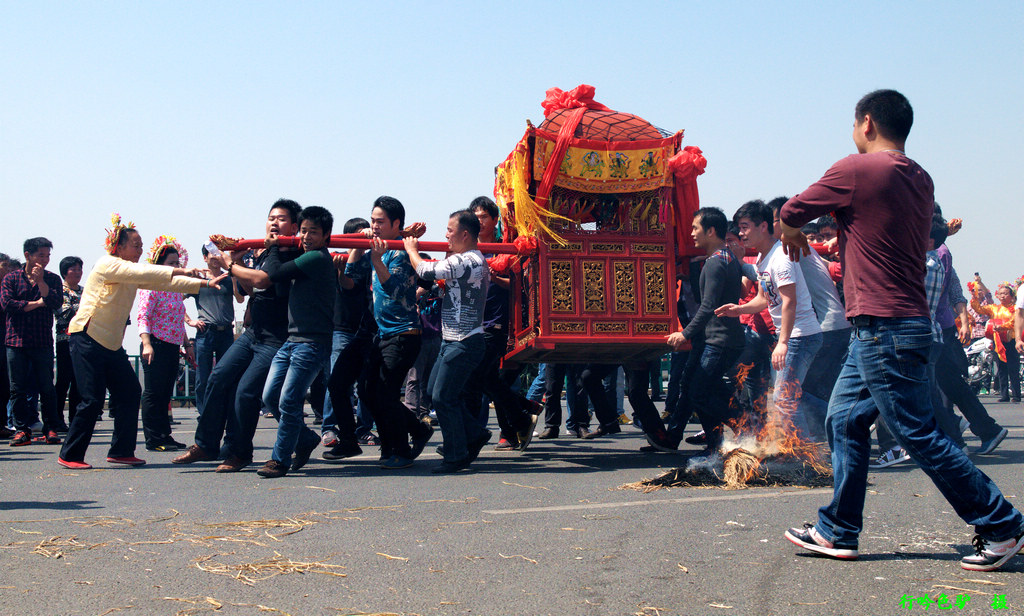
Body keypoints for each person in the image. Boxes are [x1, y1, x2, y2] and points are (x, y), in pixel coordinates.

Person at [778, 89, 1024, 571]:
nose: (852, 133)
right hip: (890, 322)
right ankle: (837, 529)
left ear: (866, 123)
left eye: (853, 125)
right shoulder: (919, 177)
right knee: (844, 419)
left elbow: (792, 209)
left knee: (918, 433)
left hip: (883, 325)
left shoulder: (858, 169)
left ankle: (1000, 524)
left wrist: (789, 228)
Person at [57, 215, 225, 469]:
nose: (140, 250)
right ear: (119, 246)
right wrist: (180, 268)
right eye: (136, 245)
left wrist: (204, 283)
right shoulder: (107, 264)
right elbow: (145, 271)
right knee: (91, 399)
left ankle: (121, 451)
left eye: (141, 245)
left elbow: (164, 282)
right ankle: (70, 455)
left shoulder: (132, 272)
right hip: (87, 337)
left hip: (111, 344)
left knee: (130, 392)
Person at [176, 199, 303, 471]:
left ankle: (241, 452)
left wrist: (229, 265)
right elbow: (246, 290)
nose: (273, 223)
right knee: (218, 377)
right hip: (253, 332)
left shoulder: (292, 253)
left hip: (276, 338)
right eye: (271, 218)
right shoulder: (266, 252)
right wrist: (235, 262)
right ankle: (206, 445)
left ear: (294, 226)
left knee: (245, 393)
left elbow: (263, 280)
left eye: (281, 219)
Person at [222, 206, 336, 478]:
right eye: (304, 230)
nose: (307, 237)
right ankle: (305, 439)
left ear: (326, 236)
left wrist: (271, 249)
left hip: (312, 342)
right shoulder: (305, 256)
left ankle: (279, 459)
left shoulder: (317, 259)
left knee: (288, 399)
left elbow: (270, 275)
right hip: (292, 339)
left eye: (314, 232)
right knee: (270, 396)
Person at [720, 200, 823, 441]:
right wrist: (739, 309)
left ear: (763, 226)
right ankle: (829, 427)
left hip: (801, 335)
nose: (741, 234)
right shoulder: (762, 259)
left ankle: (804, 453)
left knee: (783, 398)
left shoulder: (781, 257)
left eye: (745, 227)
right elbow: (763, 299)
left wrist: (783, 342)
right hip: (792, 335)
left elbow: (789, 302)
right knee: (786, 396)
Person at [404, 210, 490, 473]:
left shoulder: (467, 260)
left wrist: (410, 247)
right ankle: (473, 434)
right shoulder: (469, 260)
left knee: (443, 397)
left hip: (463, 341)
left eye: (450, 230)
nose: (445, 235)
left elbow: (425, 269)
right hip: (454, 340)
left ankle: (456, 454)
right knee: (434, 392)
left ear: (465, 234)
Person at [657, 207, 745, 455]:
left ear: (711, 230)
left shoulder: (717, 261)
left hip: (720, 340)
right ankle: (716, 445)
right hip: (714, 338)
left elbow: (708, 306)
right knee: (698, 388)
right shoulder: (723, 258)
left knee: (700, 391)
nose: (692, 233)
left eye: (696, 228)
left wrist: (685, 333)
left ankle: (745, 426)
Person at [362, 196, 434, 470]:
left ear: (397, 224)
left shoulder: (402, 254)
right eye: (373, 221)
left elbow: (397, 292)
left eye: (380, 222)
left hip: (405, 334)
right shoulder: (376, 248)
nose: (375, 226)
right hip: (383, 335)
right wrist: (362, 246)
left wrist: (377, 260)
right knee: (368, 392)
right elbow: (351, 272)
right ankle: (411, 433)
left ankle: (401, 449)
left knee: (385, 394)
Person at [0, 237, 65, 446]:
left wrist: (41, 283)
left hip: (42, 341)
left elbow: (55, 302)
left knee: (46, 387)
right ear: (28, 255)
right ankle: (21, 429)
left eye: (47, 256)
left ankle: (51, 428)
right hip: (15, 342)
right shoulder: (11, 278)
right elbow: (9, 305)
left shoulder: (52, 279)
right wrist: (38, 303)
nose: (44, 260)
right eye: (40, 255)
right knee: (16, 389)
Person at [137, 236, 194, 451]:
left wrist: (187, 345)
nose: (176, 267)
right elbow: (143, 316)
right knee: (153, 392)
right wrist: (146, 343)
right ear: (159, 265)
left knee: (164, 393)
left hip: (172, 345)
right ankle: (154, 438)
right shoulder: (151, 285)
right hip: (155, 344)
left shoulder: (175, 287)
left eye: (177, 263)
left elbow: (178, 320)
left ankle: (165, 435)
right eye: (171, 263)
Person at [186, 245, 241, 417]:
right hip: (205, 333)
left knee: (227, 375)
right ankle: (204, 414)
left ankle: (225, 411)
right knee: (202, 377)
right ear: (204, 258)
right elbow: (173, 300)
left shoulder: (227, 278)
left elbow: (239, 299)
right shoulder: (199, 280)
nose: (215, 257)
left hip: (225, 333)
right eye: (211, 254)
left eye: (218, 254)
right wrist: (189, 321)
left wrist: (232, 277)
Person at [971, 278, 1020, 403]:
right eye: (1001, 293)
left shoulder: (1015, 309)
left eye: (1005, 294)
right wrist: (975, 297)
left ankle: (1016, 395)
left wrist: (1002, 327)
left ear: (1012, 296)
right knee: (1001, 369)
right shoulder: (994, 308)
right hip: (998, 341)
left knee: (1013, 368)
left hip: (1011, 341)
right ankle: (1004, 395)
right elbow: (979, 310)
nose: (1002, 296)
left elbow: (1014, 322)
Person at [54, 255, 83, 429]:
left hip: (82, 340)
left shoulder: (85, 290)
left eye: (80, 269)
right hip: (65, 340)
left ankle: (75, 419)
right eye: (74, 269)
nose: (78, 272)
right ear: (65, 272)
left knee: (78, 382)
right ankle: (57, 419)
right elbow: (64, 313)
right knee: (64, 380)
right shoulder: (60, 290)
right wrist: (83, 311)